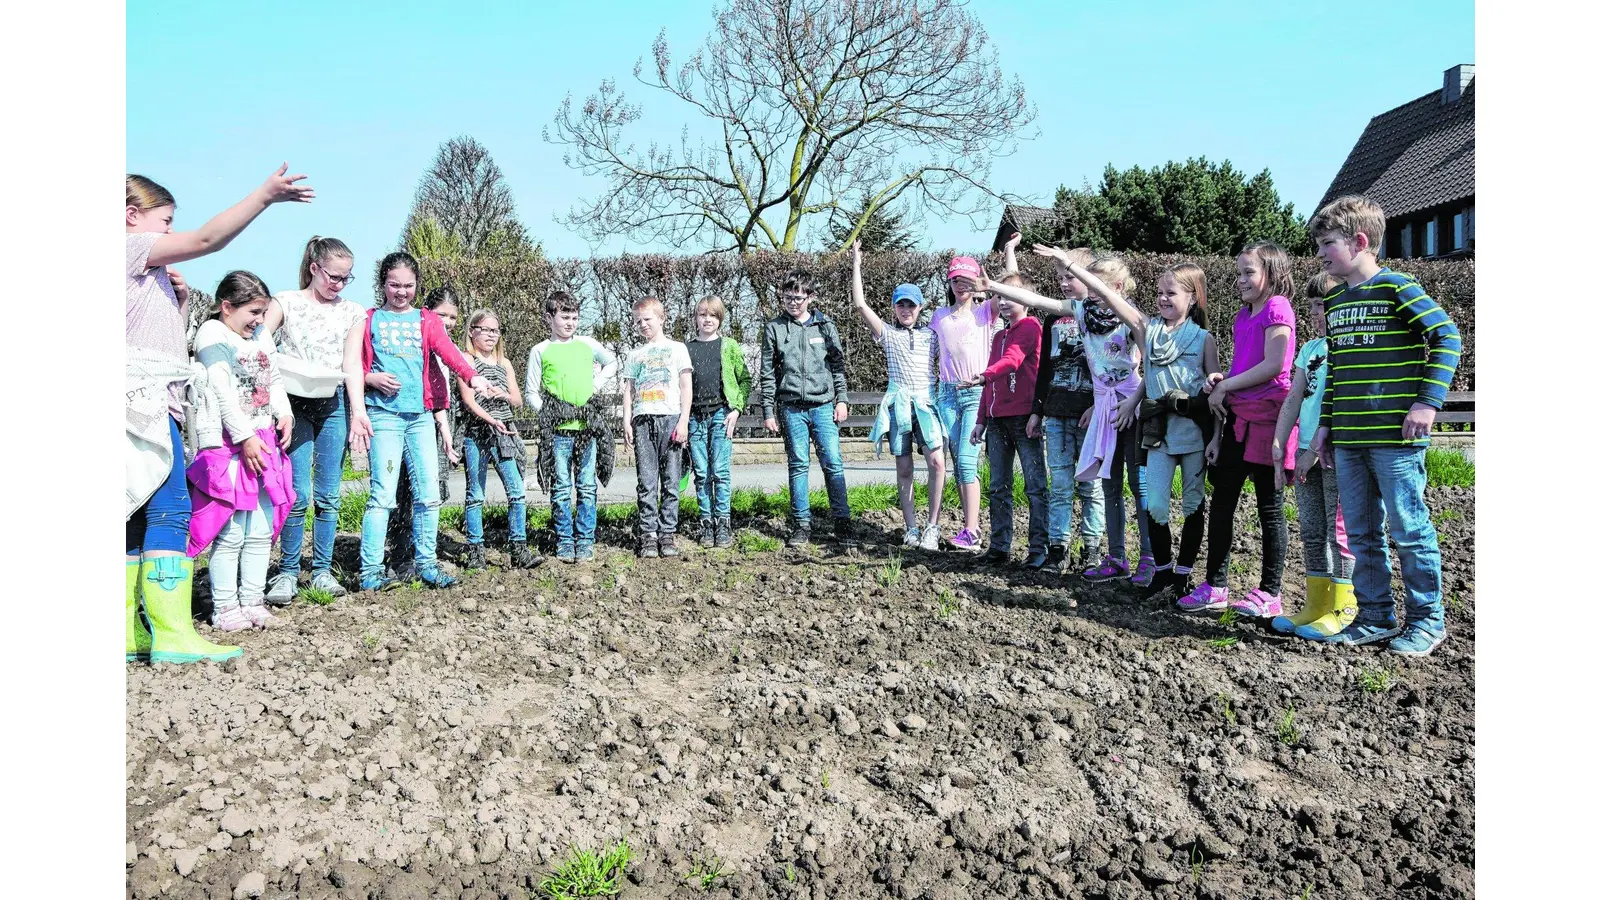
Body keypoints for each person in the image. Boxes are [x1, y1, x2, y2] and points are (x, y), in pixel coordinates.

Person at [126, 164, 312, 664]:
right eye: (166, 222)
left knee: (135, 512)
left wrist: (181, 300)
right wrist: (264, 195)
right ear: (131, 215)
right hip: (141, 402)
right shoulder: (128, 246)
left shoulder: (145, 273)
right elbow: (208, 239)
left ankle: (128, 632)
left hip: (150, 398)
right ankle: (173, 633)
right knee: (170, 510)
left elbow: (162, 340)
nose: (170, 233)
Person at [1307, 195, 1461, 656]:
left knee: (1409, 530)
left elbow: (1446, 336)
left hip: (1396, 439)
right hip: (1349, 439)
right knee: (1361, 533)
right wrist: (1326, 425)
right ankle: (1375, 617)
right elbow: (1337, 370)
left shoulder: (1398, 287)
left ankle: (1428, 621)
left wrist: (1427, 403)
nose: (1319, 253)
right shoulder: (1335, 301)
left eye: (1328, 244)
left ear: (1359, 241)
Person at [1058, 257, 1221, 599]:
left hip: (1193, 434)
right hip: (1158, 434)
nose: (1162, 298)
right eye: (1159, 292)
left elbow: (1216, 391)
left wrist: (1216, 436)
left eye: (1170, 293)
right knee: (1156, 504)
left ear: (1192, 297)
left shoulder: (1204, 339)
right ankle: (1161, 572)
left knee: (1192, 504)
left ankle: (1182, 576)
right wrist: (1069, 264)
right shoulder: (1148, 329)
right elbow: (1108, 295)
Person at [988, 252, 1152, 584]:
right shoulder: (1082, 312)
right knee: (1109, 484)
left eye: (1098, 285)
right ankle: (1116, 558)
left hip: (1129, 405)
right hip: (1104, 407)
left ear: (1118, 287)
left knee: (1139, 484)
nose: (1090, 291)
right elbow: (1037, 300)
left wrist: (1132, 402)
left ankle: (1149, 559)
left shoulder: (1132, 318)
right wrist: (990, 284)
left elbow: (1151, 366)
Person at [344, 252, 498, 591]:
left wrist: (472, 376)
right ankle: (371, 572)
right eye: (394, 285)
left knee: (429, 495)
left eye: (408, 285)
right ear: (383, 283)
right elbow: (353, 366)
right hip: (384, 416)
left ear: (417, 285)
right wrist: (370, 378)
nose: (401, 292)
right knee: (383, 496)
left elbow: (449, 352)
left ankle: (427, 564)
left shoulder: (426, 320)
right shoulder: (368, 319)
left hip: (420, 418)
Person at [1178, 242, 1298, 616]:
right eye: (1239, 273)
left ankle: (1270, 593)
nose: (1241, 280)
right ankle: (1216, 587)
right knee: (1222, 504)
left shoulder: (1278, 307)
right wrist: (1222, 382)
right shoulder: (1243, 315)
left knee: (1269, 509)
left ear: (1272, 273)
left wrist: (1227, 385)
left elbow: (1275, 365)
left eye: (1249, 272)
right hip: (1238, 420)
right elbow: (1246, 367)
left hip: (1268, 420)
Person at [186, 272, 296, 631]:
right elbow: (220, 390)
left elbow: (273, 379)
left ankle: (252, 600)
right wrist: (245, 436)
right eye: (253, 312)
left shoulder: (260, 335)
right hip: (229, 444)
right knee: (231, 530)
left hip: (262, 439)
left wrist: (284, 413)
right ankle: (225, 607)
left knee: (260, 529)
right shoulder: (212, 334)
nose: (260, 320)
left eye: (263, 312)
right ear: (227, 307)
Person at [261, 236, 365, 604]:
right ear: (314, 268)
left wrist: (358, 413)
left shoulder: (352, 311)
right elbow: (260, 343)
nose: (339, 284)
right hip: (293, 404)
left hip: (331, 403)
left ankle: (321, 571)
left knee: (328, 494)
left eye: (346, 278)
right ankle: (288, 572)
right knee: (298, 494)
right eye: (334, 276)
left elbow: (352, 364)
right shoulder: (286, 301)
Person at [1270, 272, 1357, 637]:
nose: (1315, 314)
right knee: (1311, 529)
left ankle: (1344, 607)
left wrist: (1317, 451)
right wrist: (1279, 442)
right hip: (1306, 450)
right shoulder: (1311, 349)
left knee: (1339, 530)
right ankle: (1316, 605)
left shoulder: (1350, 348)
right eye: (1311, 307)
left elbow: (1342, 402)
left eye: (1321, 305)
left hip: (1335, 452)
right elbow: (1295, 396)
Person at [849, 240, 947, 550]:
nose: (906, 310)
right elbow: (860, 304)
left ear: (920, 308)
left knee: (937, 462)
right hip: (899, 406)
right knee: (904, 469)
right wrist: (856, 263)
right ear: (894, 307)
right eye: (901, 305)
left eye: (911, 305)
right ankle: (911, 528)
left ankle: (933, 526)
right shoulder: (887, 334)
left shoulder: (932, 334)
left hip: (926, 405)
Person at [759, 270, 855, 548]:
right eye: (788, 297)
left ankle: (843, 522)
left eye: (798, 298)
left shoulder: (825, 326)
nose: (793, 303)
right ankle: (801, 524)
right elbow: (767, 373)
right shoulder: (774, 328)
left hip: (823, 406)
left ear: (810, 298)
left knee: (833, 463)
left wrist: (842, 399)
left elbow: (837, 365)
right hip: (791, 409)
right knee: (798, 465)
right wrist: (768, 411)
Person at [1026, 244, 1105, 573]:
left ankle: (1093, 547)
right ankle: (1058, 548)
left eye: (1070, 276)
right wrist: (1037, 409)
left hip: (1089, 416)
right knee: (1059, 485)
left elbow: (1111, 370)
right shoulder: (1053, 319)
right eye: (1060, 277)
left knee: (1091, 486)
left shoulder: (1101, 318)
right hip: (1056, 414)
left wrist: (1097, 406)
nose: (1063, 283)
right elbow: (1044, 367)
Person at [528, 291, 617, 564]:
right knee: (561, 487)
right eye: (564, 317)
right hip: (558, 434)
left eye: (575, 318)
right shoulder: (540, 350)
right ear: (549, 318)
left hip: (586, 429)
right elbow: (531, 392)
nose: (570, 323)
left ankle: (585, 540)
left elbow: (612, 363)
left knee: (587, 486)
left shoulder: (587, 344)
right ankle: (564, 540)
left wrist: (594, 386)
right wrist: (548, 413)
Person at [965, 270, 1046, 567]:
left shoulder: (1031, 327)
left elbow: (1012, 361)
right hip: (997, 420)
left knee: (1035, 486)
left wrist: (983, 376)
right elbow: (991, 382)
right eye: (999, 296)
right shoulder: (999, 335)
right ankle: (1000, 546)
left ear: (1026, 299)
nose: (1004, 302)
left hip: (1024, 418)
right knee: (998, 486)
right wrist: (981, 419)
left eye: (1011, 296)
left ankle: (1039, 548)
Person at [386, 287, 465, 579]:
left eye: (453, 317)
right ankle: (400, 555)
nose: (447, 322)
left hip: (439, 418)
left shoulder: (447, 347)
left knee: (430, 490)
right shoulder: (414, 342)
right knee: (406, 489)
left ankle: (424, 554)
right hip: (413, 418)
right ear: (427, 313)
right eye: (441, 315)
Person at [458, 308, 541, 570]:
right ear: (472, 331)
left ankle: (519, 548)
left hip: (504, 434)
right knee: (475, 494)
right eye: (485, 330)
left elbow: (517, 400)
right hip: (476, 433)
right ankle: (475, 551)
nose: (491, 335)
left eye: (495, 330)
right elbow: (468, 401)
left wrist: (502, 395)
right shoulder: (466, 360)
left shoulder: (504, 363)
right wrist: (489, 419)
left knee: (517, 492)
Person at [929, 253, 1000, 552]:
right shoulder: (939, 316)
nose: (961, 286)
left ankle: (971, 531)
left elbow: (1012, 289)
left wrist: (1008, 255)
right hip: (947, 394)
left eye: (967, 280)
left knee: (968, 462)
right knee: (959, 464)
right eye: (956, 280)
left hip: (975, 394)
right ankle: (970, 528)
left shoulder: (985, 313)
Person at [622, 297, 694, 558]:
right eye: (638, 321)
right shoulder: (634, 354)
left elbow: (686, 386)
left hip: (671, 418)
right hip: (643, 421)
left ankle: (667, 533)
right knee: (647, 481)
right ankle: (648, 534)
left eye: (647, 319)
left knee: (671, 481)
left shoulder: (677, 349)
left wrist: (683, 420)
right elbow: (629, 390)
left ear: (661, 319)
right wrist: (627, 420)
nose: (643, 325)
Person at [685, 296, 753, 549]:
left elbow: (745, 380)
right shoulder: (686, 349)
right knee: (702, 474)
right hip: (695, 418)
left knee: (720, 472)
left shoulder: (729, 346)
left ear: (720, 319)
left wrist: (736, 409)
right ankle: (706, 522)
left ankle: (723, 523)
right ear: (696, 318)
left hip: (720, 416)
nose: (707, 320)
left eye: (712, 315)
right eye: (702, 315)